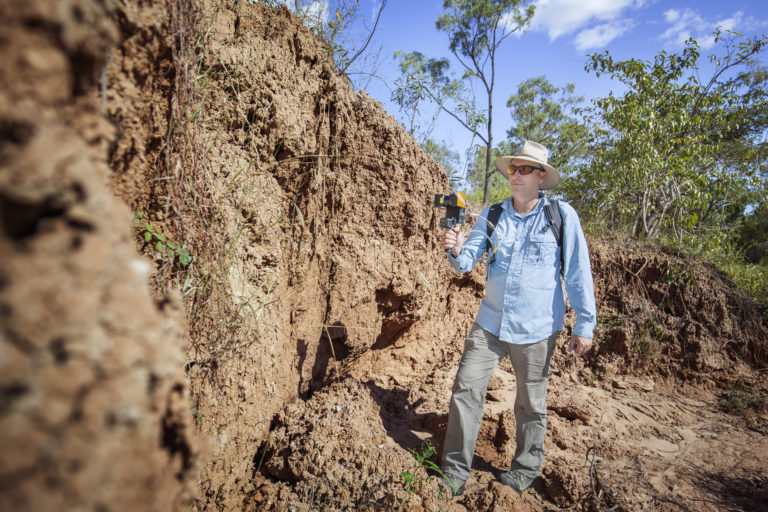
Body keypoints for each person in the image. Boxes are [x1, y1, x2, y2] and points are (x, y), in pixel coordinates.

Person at [439, 140, 596, 496]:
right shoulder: (493, 215)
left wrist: (585, 324)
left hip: (538, 331)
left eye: (525, 169)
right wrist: (456, 248)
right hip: (490, 323)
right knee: (466, 388)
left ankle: (523, 471)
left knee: (530, 404)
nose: (516, 175)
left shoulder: (561, 217)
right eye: (513, 168)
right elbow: (465, 264)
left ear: (541, 177)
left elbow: (577, 273)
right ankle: (454, 471)